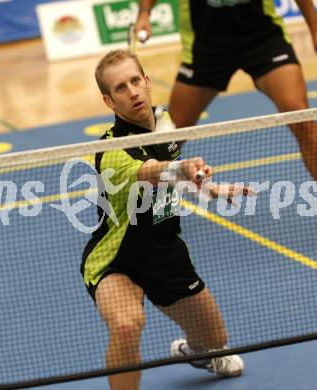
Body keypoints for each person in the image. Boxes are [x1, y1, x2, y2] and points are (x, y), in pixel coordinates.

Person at [81, 49, 254, 390]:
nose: (131, 91)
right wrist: (182, 168)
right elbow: (151, 172)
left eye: (135, 81)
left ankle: (195, 351)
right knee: (128, 325)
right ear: (109, 101)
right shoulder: (111, 150)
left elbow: (173, 180)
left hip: (165, 254)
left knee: (215, 341)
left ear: (147, 82)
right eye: (119, 88)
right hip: (117, 261)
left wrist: (209, 188)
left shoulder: (165, 122)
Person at [135, 0, 317, 180]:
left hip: (262, 35)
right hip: (205, 45)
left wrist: (315, 28)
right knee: (169, 140)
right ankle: (144, 204)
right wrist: (144, 12)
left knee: (302, 119)